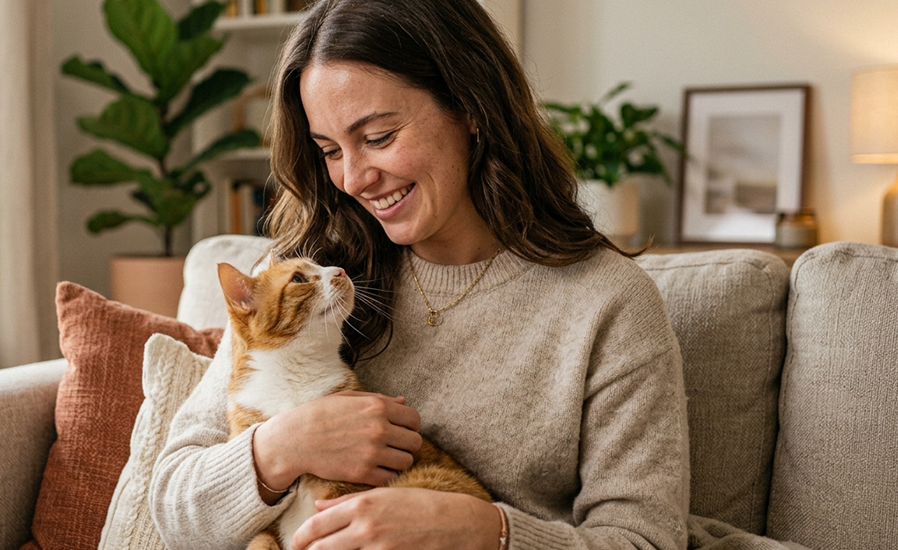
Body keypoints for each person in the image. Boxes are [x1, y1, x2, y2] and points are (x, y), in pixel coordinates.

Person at [150, 0, 689, 548]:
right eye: (330, 150)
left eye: (379, 137)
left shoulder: (607, 304)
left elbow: (645, 539)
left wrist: (487, 532)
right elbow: (172, 509)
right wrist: (279, 449)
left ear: (471, 106)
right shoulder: (300, 274)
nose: (354, 178)